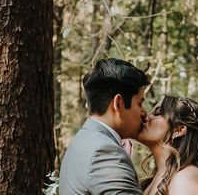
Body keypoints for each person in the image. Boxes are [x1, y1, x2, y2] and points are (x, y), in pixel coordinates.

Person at [59, 58, 150, 195]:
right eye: (139, 103)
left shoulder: (84, 139)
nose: (144, 112)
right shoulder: (103, 152)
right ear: (118, 104)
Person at [137, 96, 198, 195]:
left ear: (179, 130)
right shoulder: (155, 180)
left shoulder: (186, 179)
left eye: (158, 114)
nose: (146, 116)